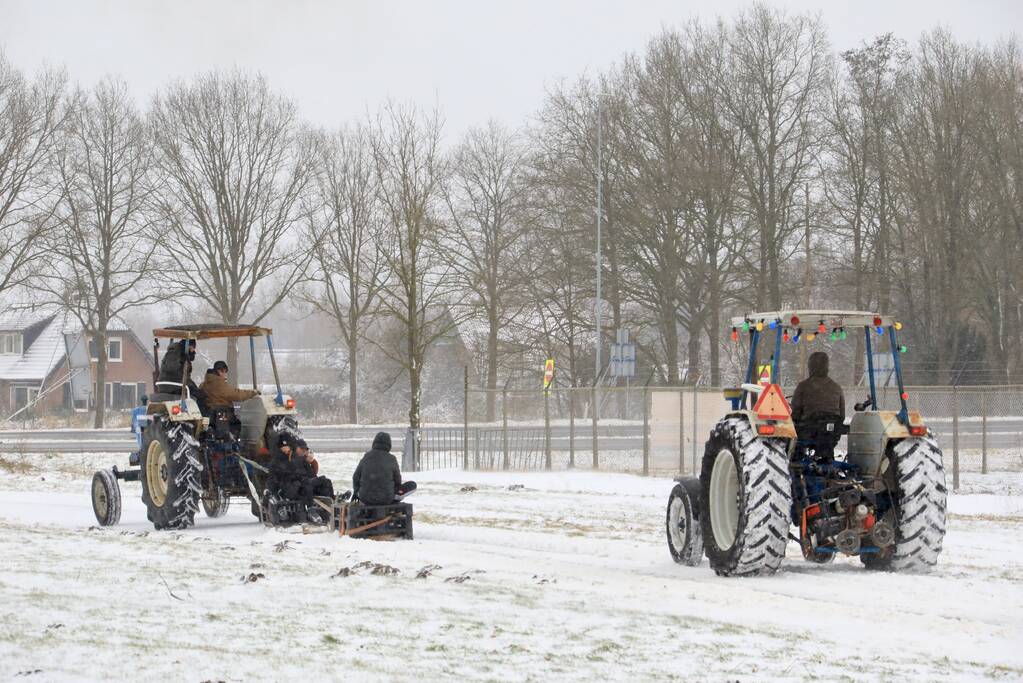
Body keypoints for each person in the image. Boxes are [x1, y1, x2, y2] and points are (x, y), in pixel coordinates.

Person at [267, 435, 334, 522]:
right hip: (289, 487)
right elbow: (273, 478)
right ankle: (311, 510)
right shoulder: (277, 461)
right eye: (283, 447)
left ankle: (330, 503)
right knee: (305, 484)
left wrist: (313, 466)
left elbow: (311, 473)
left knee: (325, 481)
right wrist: (274, 492)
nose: (286, 449)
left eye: (287, 446)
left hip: (302, 483)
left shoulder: (298, 459)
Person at [353, 432, 416, 505]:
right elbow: (397, 480)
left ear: (374, 443)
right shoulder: (391, 459)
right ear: (389, 445)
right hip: (386, 499)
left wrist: (356, 492)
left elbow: (355, 477)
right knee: (412, 485)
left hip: (365, 498)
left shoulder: (366, 457)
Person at [791, 351, 846, 425]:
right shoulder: (836, 388)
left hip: (807, 432)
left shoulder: (803, 387)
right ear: (827, 366)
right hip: (832, 433)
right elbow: (842, 416)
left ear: (810, 367)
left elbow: (795, 414)